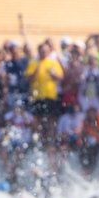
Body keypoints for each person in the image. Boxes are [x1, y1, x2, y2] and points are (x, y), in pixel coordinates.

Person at [25, 43, 63, 173]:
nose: (44, 52)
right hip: (37, 97)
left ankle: (51, 141)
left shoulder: (52, 62)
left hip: (50, 96)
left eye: (46, 50)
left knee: (51, 120)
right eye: (42, 50)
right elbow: (28, 77)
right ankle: (41, 141)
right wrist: (36, 70)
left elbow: (61, 76)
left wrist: (53, 73)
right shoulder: (33, 62)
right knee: (38, 120)